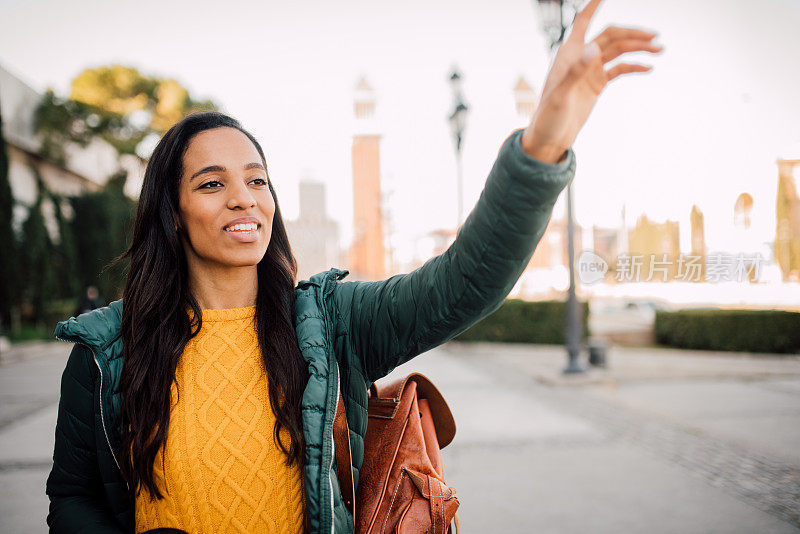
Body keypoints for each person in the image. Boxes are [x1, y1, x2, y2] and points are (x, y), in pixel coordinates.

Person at [45, 1, 661, 532]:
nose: (245, 198)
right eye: (212, 183)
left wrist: (543, 145)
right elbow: (71, 502)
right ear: (171, 213)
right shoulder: (105, 354)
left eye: (258, 180)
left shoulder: (331, 322)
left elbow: (464, 282)